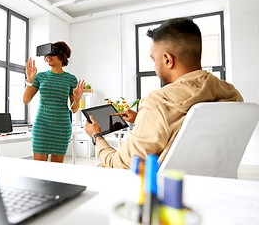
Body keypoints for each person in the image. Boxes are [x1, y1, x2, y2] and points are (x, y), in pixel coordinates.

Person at [84, 18, 243, 169]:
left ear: (167, 59)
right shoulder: (231, 93)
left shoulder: (158, 102)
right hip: (210, 182)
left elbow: (119, 165)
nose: (154, 66)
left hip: (158, 189)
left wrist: (96, 136)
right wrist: (141, 118)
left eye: (154, 59)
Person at [23, 41, 85, 163]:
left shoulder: (71, 79)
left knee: (57, 170)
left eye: (52, 53)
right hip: (42, 126)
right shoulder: (40, 76)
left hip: (61, 127)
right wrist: (30, 81)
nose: (48, 57)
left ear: (62, 55)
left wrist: (77, 99)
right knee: (39, 167)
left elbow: (74, 109)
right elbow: (26, 100)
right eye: (46, 55)